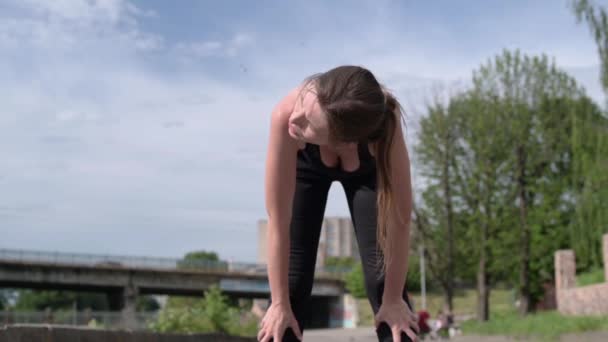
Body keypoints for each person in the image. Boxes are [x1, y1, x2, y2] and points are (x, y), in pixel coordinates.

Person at [257, 65, 418, 342]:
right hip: (305, 168)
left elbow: (400, 221)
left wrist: (393, 299)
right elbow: (278, 221)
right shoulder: (286, 118)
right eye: (305, 105)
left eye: (309, 124)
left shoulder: (383, 127)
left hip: (365, 174)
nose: (296, 119)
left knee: (386, 290)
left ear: (344, 143)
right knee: (288, 295)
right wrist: (279, 303)